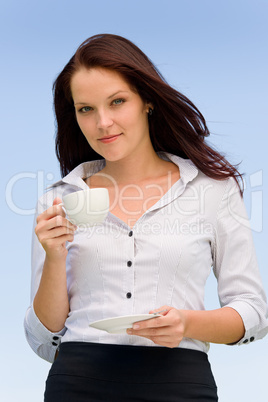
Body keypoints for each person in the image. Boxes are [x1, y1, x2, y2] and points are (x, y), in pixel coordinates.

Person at [24, 33, 268, 401]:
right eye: (86, 109)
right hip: (77, 381)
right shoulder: (60, 199)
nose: (103, 123)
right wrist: (55, 257)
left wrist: (187, 323)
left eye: (117, 102)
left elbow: (252, 310)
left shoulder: (211, 191)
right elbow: (46, 333)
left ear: (147, 102)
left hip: (180, 382)